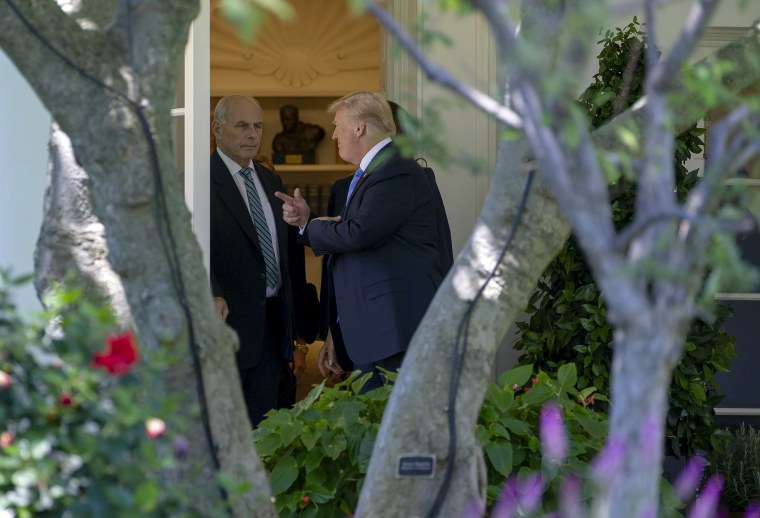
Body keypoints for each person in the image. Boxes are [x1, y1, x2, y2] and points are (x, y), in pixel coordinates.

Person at [276, 91, 444, 392]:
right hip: (378, 329)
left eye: (338, 125)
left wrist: (307, 225)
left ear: (359, 128)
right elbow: (356, 229)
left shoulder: (394, 170)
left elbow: (358, 233)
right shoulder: (378, 170)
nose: (334, 135)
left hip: (394, 329)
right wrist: (310, 219)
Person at [209, 95, 298, 427]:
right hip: (226, 326)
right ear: (217, 128)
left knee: (265, 434)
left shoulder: (271, 180)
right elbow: (187, 248)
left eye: (258, 126)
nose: (252, 134)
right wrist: (210, 292)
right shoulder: (199, 179)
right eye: (242, 125)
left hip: (271, 329)